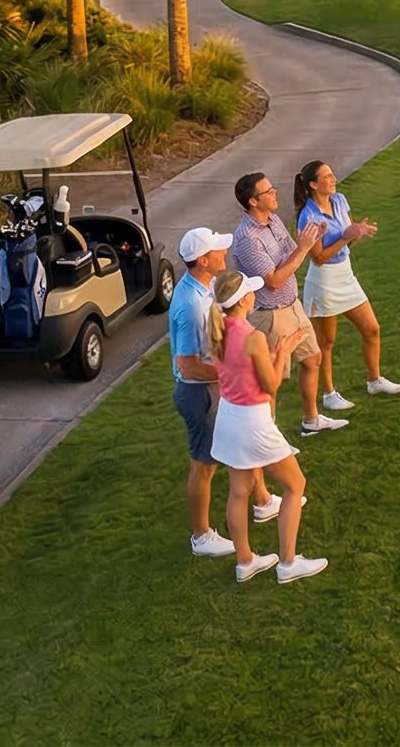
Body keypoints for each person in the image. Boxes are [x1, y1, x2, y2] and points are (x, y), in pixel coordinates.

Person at [208, 270, 325, 584]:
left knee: (238, 492)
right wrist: (284, 352)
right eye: (250, 291)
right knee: (295, 485)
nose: (253, 295)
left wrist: (273, 353)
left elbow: (244, 370)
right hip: (253, 422)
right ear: (244, 299)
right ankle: (288, 563)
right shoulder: (253, 337)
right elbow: (271, 384)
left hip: (229, 420)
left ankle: (245, 562)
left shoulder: (218, 331)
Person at [229, 170, 342, 435]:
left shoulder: (274, 220)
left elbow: (293, 250)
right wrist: (303, 249)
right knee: (271, 379)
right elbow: (274, 280)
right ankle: (270, 435)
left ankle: (310, 420)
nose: (274, 192)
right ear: (253, 201)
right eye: (268, 191)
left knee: (312, 358)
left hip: (292, 306)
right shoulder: (247, 239)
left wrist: (310, 240)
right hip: (269, 315)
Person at [293, 160, 400, 411]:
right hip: (324, 281)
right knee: (327, 341)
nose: (333, 179)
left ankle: (374, 380)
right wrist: (346, 236)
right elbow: (318, 257)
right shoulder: (308, 216)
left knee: (372, 328)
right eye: (327, 176)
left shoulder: (340, 201)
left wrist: (356, 233)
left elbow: (347, 241)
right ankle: (329, 394)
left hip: (345, 275)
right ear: (312, 184)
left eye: (332, 174)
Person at [169, 225, 238, 556]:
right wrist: (233, 373)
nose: (224, 253)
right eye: (218, 250)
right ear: (203, 259)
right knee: (204, 464)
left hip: (210, 388)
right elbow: (188, 366)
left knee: (235, 448)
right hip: (199, 393)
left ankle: (263, 499)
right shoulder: (191, 306)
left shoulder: (203, 286)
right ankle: (201, 537)